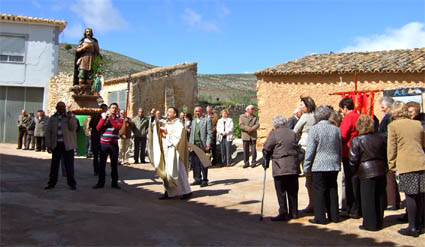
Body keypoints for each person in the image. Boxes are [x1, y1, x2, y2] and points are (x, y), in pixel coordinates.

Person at [387, 101, 425, 237]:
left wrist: (391, 165)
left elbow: (392, 148)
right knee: (419, 195)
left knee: (410, 196)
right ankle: (420, 224)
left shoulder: (393, 126)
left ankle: (412, 227)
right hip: (421, 161)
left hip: (406, 163)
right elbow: (422, 142)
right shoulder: (417, 124)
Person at [304, 106, 342, 225]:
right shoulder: (336, 129)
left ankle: (320, 217)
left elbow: (310, 150)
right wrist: (338, 160)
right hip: (333, 163)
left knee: (319, 191)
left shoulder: (314, 129)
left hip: (319, 164)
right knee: (332, 188)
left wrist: (306, 166)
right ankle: (334, 215)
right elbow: (339, 147)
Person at [349, 115, 388, 231]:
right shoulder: (381, 138)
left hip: (366, 171)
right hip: (380, 169)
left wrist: (355, 171)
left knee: (368, 198)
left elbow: (353, 159)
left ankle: (370, 224)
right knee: (379, 196)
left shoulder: (357, 140)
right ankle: (379, 220)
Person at [148, 107, 192, 200]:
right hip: (166, 151)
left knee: (179, 172)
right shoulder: (165, 122)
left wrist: (166, 136)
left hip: (175, 151)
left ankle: (187, 191)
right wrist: (153, 116)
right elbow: (155, 125)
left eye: (169, 112)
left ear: (175, 114)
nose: (167, 113)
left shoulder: (178, 124)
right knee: (166, 172)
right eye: (167, 111)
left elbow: (178, 137)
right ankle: (169, 192)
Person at [263, 115, 300, 221]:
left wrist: (266, 160)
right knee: (293, 190)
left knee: (281, 190)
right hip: (293, 165)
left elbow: (267, 148)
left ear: (275, 124)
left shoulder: (274, 133)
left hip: (280, 166)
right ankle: (294, 212)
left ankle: (283, 212)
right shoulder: (292, 132)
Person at [44, 102, 78, 190]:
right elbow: (48, 132)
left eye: (63, 107)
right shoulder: (53, 118)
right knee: (54, 166)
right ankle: (51, 183)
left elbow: (73, 128)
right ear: (56, 108)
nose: (61, 109)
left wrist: (71, 118)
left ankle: (72, 183)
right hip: (56, 144)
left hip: (67, 145)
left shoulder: (70, 117)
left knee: (69, 165)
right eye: (60, 107)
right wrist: (48, 144)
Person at [339, 97, 361, 219]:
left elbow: (342, 135)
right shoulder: (358, 116)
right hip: (358, 152)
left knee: (350, 181)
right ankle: (357, 207)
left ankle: (352, 208)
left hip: (348, 152)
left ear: (345, 108)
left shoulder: (349, 117)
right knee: (356, 181)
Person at [294, 96, 316, 213]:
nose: (300, 107)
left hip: (306, 146)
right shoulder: (317, 115)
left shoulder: (306, 116)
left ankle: (312, 204)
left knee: (308, 177)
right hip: (317, 146)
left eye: (302, 105)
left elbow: (296, 130)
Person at [378, 96, 400, 210]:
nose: (382, 109)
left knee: (389, 175)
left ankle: (391, 201)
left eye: (383, 107)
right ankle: (395, 200)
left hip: (388, 148)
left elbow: (388, 134)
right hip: (388, 146)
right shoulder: (391, 116)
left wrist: (378, 137)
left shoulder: (389, 117)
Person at [93, 103, 123, 189]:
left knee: (114, 165)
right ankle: (100, 183)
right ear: (109, 109)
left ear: (117, 110)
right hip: (104, 144)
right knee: (102, 164)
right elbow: (98, 128)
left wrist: (111, 119)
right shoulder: (104, 118)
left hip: (113, 145)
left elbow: (117, 127)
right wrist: (104, 118)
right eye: (112, 108)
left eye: (115, 108)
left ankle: (114, 183)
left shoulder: (119, 119)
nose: (114, 109)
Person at [189, 106, 213, 187]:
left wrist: (208, 143)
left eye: (198, 111)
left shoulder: (207, 120)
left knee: (203, 163)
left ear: (202, 111)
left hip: (202, 144)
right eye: (196, 111)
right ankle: (197, 179)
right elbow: (191, 134)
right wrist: (190, 145)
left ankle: (205, 180)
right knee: (195, 163)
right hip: (194, 144)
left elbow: (210, 133)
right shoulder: (193, 121)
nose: (197, 113)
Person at [90, 104, 108, 176]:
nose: (104, 110)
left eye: (105, 109)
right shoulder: (95, 116)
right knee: (96, 155)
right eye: (103, 109)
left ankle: (102, 169)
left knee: (103, 155)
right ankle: (96, 170)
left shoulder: (107, 117)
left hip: (103, 138)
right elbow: (91, 125)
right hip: (96, 138)